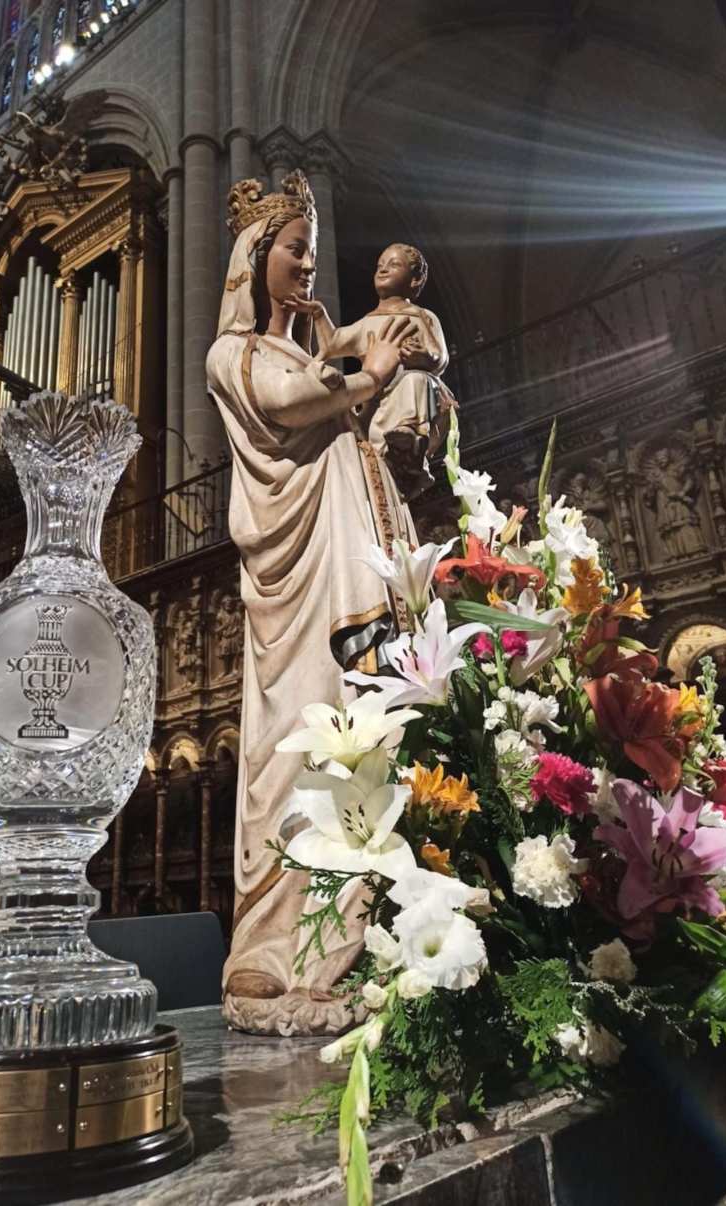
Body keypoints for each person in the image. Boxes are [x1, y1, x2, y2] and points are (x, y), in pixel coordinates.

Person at [206, 173, 418, 1035]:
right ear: (256, 260)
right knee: (298, 748)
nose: (306, 264)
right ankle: (271, 954)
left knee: (362, 744)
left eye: (312, 251)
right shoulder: (240, 355)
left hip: (348, 562)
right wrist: (367, 372)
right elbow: (289, 405)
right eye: (293, 249)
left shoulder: (310, 350)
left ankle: (356, 943)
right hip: (297, 588)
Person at [285, 242, 457, 500]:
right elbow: (333, 343)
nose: (384, 269)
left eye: (394, 264)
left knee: (416, 380)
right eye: (380, 265)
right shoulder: (368, 322)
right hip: (377, 405)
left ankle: (408, 435)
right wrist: (319, 314)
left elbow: (440, 356)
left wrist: (423, 356)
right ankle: (399, 443)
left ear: (415, 279)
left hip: (416, 393)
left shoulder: (423, 317)